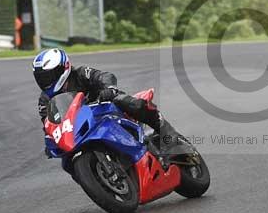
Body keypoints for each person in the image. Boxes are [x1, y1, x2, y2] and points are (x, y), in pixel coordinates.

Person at [32, 48, 181, 178]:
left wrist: (109, 88)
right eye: (41, 78)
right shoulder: (45, 100)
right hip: (80, 128)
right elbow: (48, 123)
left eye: (49, 76)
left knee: (131, 104)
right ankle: (102, 180)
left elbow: (104, 76)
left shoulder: (80, 73)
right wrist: (50, 139)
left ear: (63, 68)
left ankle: (168, 135)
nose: (46, 81)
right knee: (67, 162)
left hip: (106, 107)